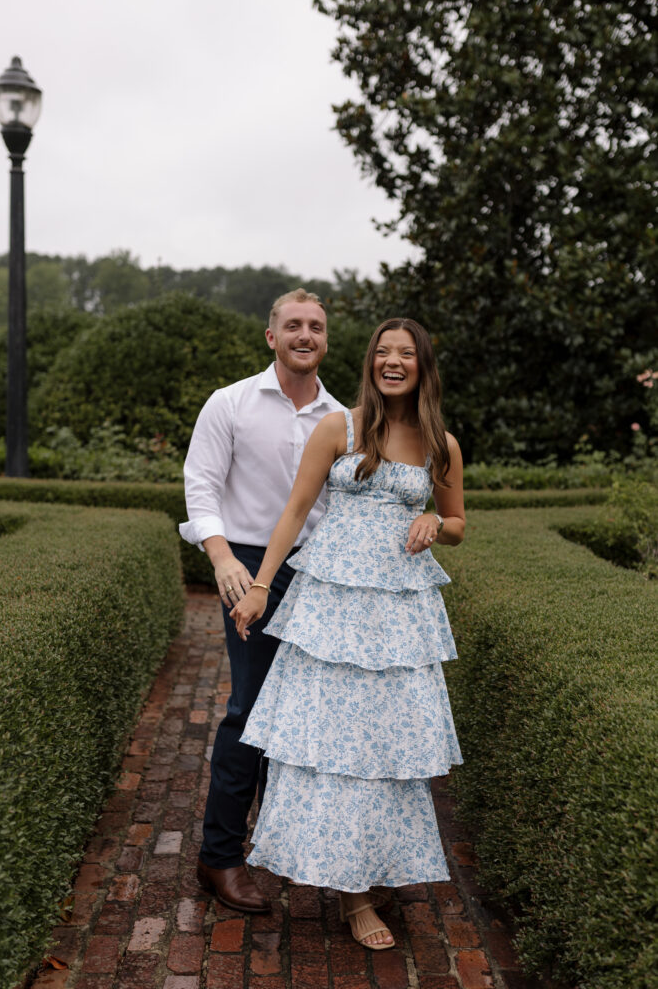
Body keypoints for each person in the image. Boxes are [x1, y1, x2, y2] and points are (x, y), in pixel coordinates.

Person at [231, 317, 465, 949]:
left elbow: (459, 519)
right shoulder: (342, 426)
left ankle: (374, 863)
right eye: (383, 352)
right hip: (332, 607)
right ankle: (354, 896)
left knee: (386, 746)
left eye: (406, 354)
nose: (393, 362)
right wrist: (259, 585)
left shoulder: (441, 441)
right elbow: (296, 510)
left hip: (398, 613)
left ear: (422, 366)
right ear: (370, 361)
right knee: (334, 743)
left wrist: (434, 527)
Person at [179, 289, 342, 912]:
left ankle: (282, 848)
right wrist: (222, 558)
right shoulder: (231, 403)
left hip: (317, 572)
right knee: (251, 711)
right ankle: (218, 858)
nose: (306, 334)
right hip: (247, 565)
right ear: (271, 336)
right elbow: (202, 486)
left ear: (326, 341)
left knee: (301, 718)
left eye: (317, 327)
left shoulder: (343, 417)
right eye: (293, 325)